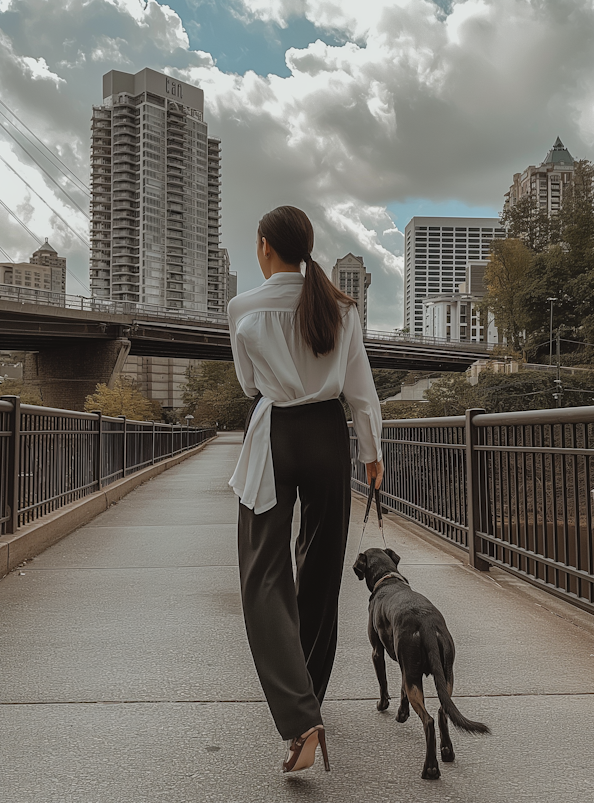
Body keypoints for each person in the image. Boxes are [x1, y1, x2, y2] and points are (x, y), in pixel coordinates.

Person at [227, 205, 383, 773]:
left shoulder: (243, 307)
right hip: (327, 434)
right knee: (319, 570)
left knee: (261, 574)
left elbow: (249, 384)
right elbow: (361, 388)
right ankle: (311, 695)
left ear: (267, 246)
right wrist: (371, 452)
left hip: (275, 434)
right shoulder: (341, 308)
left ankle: (299, 716)